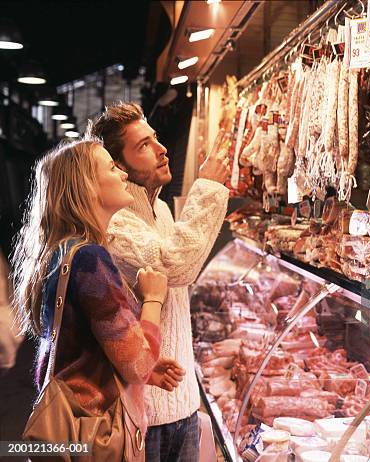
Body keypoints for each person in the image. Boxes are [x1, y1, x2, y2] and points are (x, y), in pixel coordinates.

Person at [11, 138, 186, 447]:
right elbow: (137, 365)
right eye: (111, 167)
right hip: (93, 431)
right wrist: (153, 299)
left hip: (72, 424)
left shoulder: (63, 252)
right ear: (87, 186)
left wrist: (140, 366)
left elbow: (83, 348)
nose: (123, 174)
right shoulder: (90, 260)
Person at [88, 102, 230, 461]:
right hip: (142, 417)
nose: (162, 149)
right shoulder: (115, 224)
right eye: (144, 146)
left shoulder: (162, 210)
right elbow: (175, 265)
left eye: (155, 139)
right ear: (118, 167)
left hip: (181, 404)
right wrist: (209, 188)